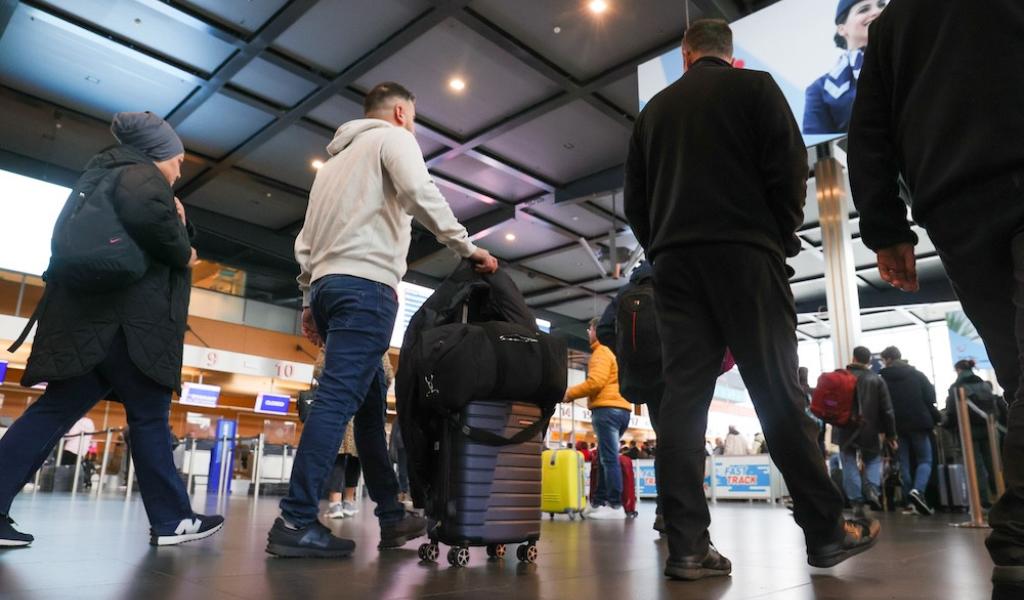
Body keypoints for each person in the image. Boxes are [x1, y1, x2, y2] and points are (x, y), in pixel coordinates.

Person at [624, 19, 878, 581]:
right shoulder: (758, 88)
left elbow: (635, 202)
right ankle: (826, 530)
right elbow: (791, 171)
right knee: (777, 391)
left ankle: (687, 547)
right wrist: (778, 238)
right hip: (747, 255)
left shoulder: (655, 112)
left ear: (687, 54)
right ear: (728, 53)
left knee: (683, 404)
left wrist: (663, 248)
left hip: (675, 265)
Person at [265, 82, 497, 558]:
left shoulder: (331, 166)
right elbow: (419, 190)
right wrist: (466, 246)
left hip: (330, 289)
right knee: (334, 402)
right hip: (366, 288)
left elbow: (306, 239)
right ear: (398, 112)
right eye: (412, 118)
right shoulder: (394, 139)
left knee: (369, 410)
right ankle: (294, 520)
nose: (412, 126)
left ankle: (391, 516)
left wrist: (309, 297)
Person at [846, 0, 1024, 584]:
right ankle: (1019, 531)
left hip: (955, 205)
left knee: (1017, 368)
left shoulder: (896, 24)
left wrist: (886, 229)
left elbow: (868, 134)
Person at [0, 112, 222, 547]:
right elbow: (172, 248)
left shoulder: (101, 176)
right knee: (150, 418)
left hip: (93, 326)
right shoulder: (142, 179)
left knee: (52, 413)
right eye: (177, 161)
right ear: (158, 155)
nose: (179, 170)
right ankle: (173, 519)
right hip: (130, 327)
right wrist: (185, 239)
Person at [563, 318, 633, 520]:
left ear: (597, 330)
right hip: (622, 409)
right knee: (604, 457)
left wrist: (569, 393)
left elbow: (596, 382)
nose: (588, 333)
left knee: (608, 458)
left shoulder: (601, 352)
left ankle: (614, 504)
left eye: (590, 329)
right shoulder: (617, 351)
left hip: (607, 410)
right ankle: (600, 501)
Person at [803, 0, 889, 135]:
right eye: (864, 9)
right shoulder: (818, 89)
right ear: (842, 29)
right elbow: (816, 140)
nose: (877, 12)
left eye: (881, 5)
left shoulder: (910, 55)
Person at [878, 346, 939, 515]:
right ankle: (918, 491)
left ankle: (909, 503)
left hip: (896, 426)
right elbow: (930, 396)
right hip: (919, 422)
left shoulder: (882, 379)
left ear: (888, 359)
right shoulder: (917, 374)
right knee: (925, 459)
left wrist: (885, 429)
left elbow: (880, 405)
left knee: (903, 462)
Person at [836, 347, 897, 514]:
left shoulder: (842, 377)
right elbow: (887, 410)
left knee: (848, 462)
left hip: (845, 427)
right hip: (869, 428)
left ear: (853, 358)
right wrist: (891, 434)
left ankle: (856, 501)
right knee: (872, 460)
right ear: (869, 361)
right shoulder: (876, 379)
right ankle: (871, 489)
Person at [944, 360, 1003, 508]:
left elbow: (951, 412)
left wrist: (946, 425)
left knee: (975, 466)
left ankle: (982, 501)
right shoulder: (984, 385)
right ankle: (1000, 496)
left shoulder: (957, 387)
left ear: (958, 370)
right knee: (994, 464)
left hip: (968, 430)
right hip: (988, 429)